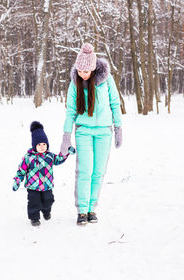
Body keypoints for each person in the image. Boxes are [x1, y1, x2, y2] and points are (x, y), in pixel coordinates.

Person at [60, 42, 122, 226]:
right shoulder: (75, 83)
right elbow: (70, 111)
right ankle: (81, 210)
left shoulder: (106, 80)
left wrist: (118, 128)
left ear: (94, 68)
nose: (82, 74)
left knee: (98, 171)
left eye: (86, 71)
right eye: (80, 71)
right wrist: (66, 137)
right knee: (84, 171)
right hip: (84, 131)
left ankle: (92, 208)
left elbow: (115, 104)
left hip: (104, 132)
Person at [13, 121, 75, 226]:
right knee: (33, 202)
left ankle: (46, 211)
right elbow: (21, 170)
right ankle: (34, 218)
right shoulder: (28, 157)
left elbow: (59, 159)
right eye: (39, 144)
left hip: (47, 186)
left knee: (49, 200)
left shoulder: (50, 156)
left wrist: (67, 152)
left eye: (44, 144)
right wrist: (17, 180)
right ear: (34, 145)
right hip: (32, 186)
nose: (42, 147)